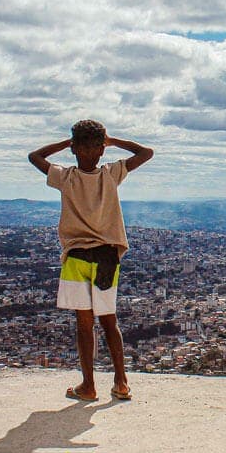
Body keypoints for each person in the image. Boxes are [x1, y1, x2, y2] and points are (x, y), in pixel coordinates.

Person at [28, 120, 153, 402]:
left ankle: (88, 385)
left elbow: (34, 157)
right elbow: (146, 153)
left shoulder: (66, 177)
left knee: (84, 325)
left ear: (74, 150)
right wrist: (112, 141)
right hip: (107, 257)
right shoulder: (110, 174)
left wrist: (66, 144)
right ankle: (121, 382)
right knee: (110, 321)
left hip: (76, 257)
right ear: (101, 150)